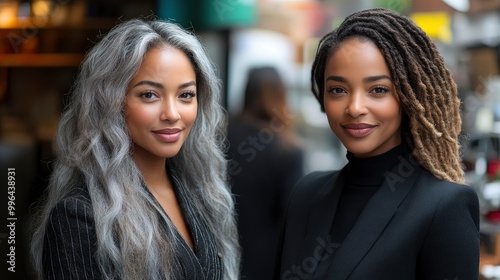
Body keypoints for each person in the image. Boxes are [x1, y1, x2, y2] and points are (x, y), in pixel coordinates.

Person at [275, 8, 480, 280]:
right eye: (338, 90)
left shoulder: (443, 206)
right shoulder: (305, 194)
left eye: (378, 90)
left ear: (409, 96)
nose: (355, 107)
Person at [30, 18, 240, 280]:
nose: (172, 114)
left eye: (186, 95)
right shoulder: (79, 216)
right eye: (149, 95)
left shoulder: (200, 191)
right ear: (111, 102)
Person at [226, 66, 303, 280]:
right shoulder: (287, 149)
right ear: (281, 95)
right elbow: (291, 214)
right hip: (266, 260)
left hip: (221, 248)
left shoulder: (222, 135)